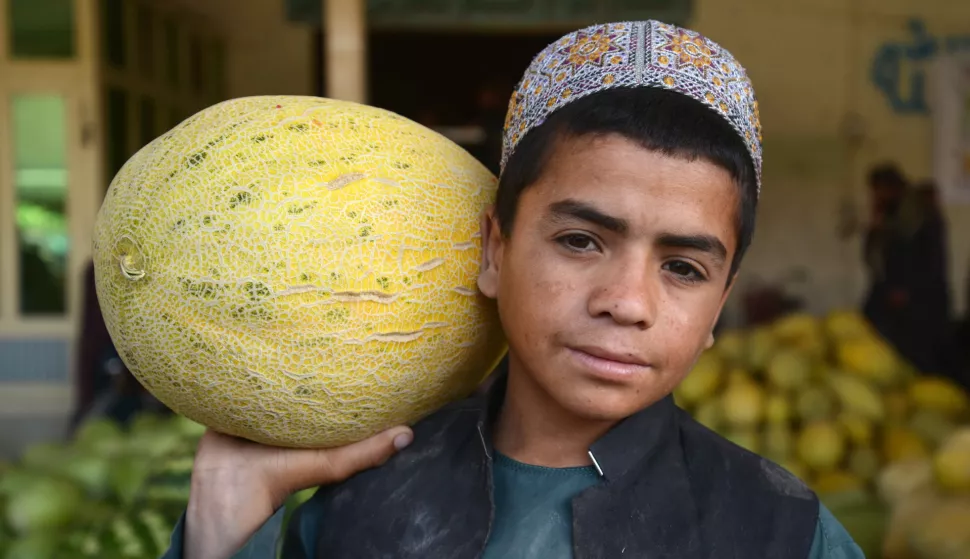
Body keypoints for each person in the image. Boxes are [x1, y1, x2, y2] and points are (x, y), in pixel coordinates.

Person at [163, 21, 864, 559]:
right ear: (494, 250)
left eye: (683, 267)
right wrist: (224, 521)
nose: (626, 301)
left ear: (720, 302)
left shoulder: (784, 530)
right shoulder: (349, 511)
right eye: (580, 240)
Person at [862, 165, 953, 376]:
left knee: (919, 354)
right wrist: (874, 227)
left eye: (878, 190)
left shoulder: (919, 213)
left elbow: (925, 258)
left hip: (919, 298)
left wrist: (904, 288)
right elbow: (874, 253)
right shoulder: (887, 213)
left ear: (891, 187)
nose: (876, 195)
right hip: (890, 292)